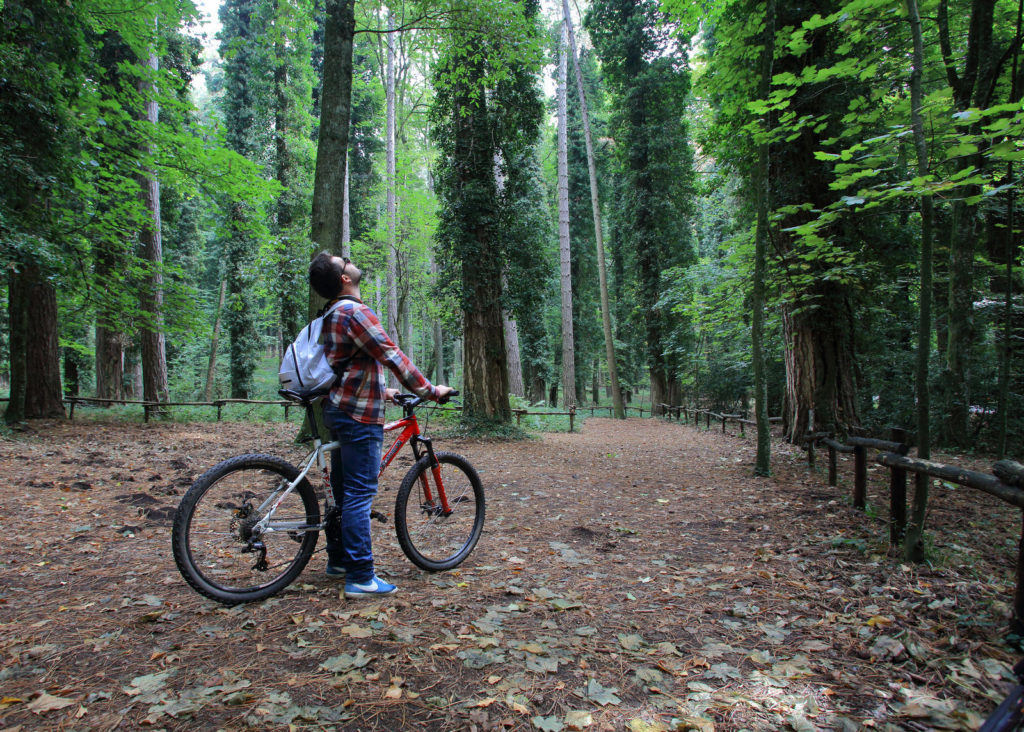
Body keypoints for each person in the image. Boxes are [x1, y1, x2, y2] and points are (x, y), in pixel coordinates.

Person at [308, 251, 453, 597]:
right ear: (345, 278)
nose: (349, 260)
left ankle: (339, 560)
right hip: (359, 417)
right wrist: (431, 391)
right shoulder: (355, 311)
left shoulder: (329, 313)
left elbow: (348, 365)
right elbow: (392, 356)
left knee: (343, 493)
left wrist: (382, 392)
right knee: (359, 494)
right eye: (344, 261)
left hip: (340, 407)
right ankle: (360, 576)